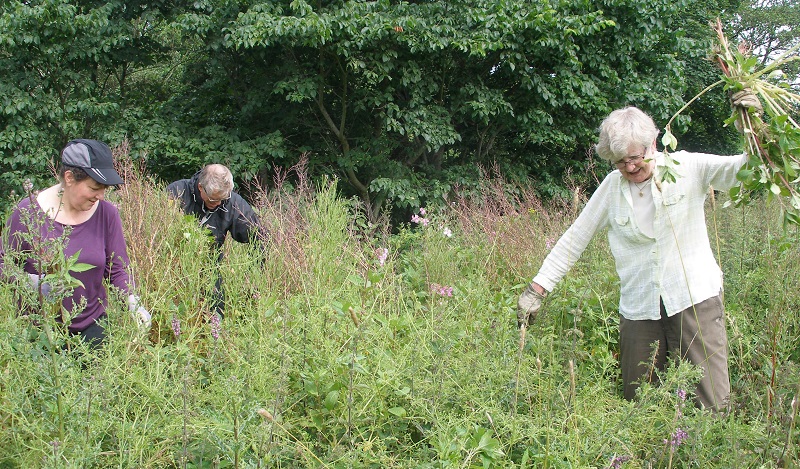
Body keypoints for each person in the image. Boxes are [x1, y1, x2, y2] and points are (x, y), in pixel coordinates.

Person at [517, 93, 762, 413]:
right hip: (638, 307)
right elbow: (573, 240)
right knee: (639, 400)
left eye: (636, 157)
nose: (630, 166)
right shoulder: (610, 189)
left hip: (694, 298)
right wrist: (537, 288)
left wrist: (752, 127)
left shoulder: (688, 167)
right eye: (620, 161)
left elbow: (744, 169)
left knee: (712, 400)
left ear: (654, 143)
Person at [1, 139, 151, 348]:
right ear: (69, 178)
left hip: (93, 330)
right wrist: (33, 283)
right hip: (40, 336)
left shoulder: (107, 214)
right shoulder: (28, 213)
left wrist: (133, 302)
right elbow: (3, 264)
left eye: (104, 189)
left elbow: (117, 269)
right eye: (94, 187)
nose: (100, 196)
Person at [166, 164, 262, 316]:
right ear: (200, 187)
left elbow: (260, 238)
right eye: (213, 200)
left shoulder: (232, 202)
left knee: (215, 315)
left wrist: (252, 275)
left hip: (210, 268)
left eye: (222, 199)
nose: (218, 204)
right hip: (172, 268)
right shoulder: (176, 193)